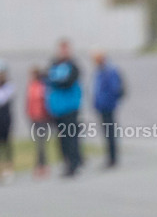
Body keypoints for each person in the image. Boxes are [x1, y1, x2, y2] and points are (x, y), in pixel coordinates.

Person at [47, 38, 84, 177]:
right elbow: (48, 80)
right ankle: (66, 162)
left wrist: (57, 81)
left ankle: (75, 163)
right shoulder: (53, 64)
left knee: (71, 136)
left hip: (71, 107)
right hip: (57, 108)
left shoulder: (73, 65)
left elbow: (68, 82)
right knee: (62, 138)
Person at [93, 51, 125, 168]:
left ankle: (113, 158)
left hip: (108, 106)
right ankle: (110, 157)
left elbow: (114, 88)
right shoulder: (99, 71)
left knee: (110, 133)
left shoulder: (109, 71)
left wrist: (108, 101)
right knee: (107, 133)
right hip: (101, 106)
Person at [26, 66, 51, 178]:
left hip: (42, 118)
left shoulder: (42, 86)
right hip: (34, 118)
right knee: (37, 142)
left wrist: (46, 115)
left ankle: (42, 165)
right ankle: (39, 164)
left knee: (41, 143)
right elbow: (28, 102)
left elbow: (45, 102)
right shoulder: (31, 85)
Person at [0, 60, 13, 184]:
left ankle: (8, 168)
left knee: (6, 145)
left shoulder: (8, 87)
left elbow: (3, 99)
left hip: (5, 120)